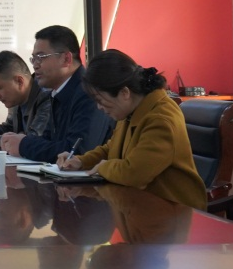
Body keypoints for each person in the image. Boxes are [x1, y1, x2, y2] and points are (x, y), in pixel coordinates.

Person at [57, 49, 207, 210]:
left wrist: (102, 167)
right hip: (138, 206)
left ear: (124, 92)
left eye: (100, 100)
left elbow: (135, 174)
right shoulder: (131, 111)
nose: (99, 107)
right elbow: (111, 149)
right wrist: (81, 161)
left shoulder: (161, 118)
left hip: (174, 212)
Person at [0, 26, 112, 162]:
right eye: (33, 58)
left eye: (41, 57)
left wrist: (24, 145)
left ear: (66, 59)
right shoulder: (57, 92)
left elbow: (78, 151)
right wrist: (22, 141)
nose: (35, 65)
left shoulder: (89, 92)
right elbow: (48, 140)